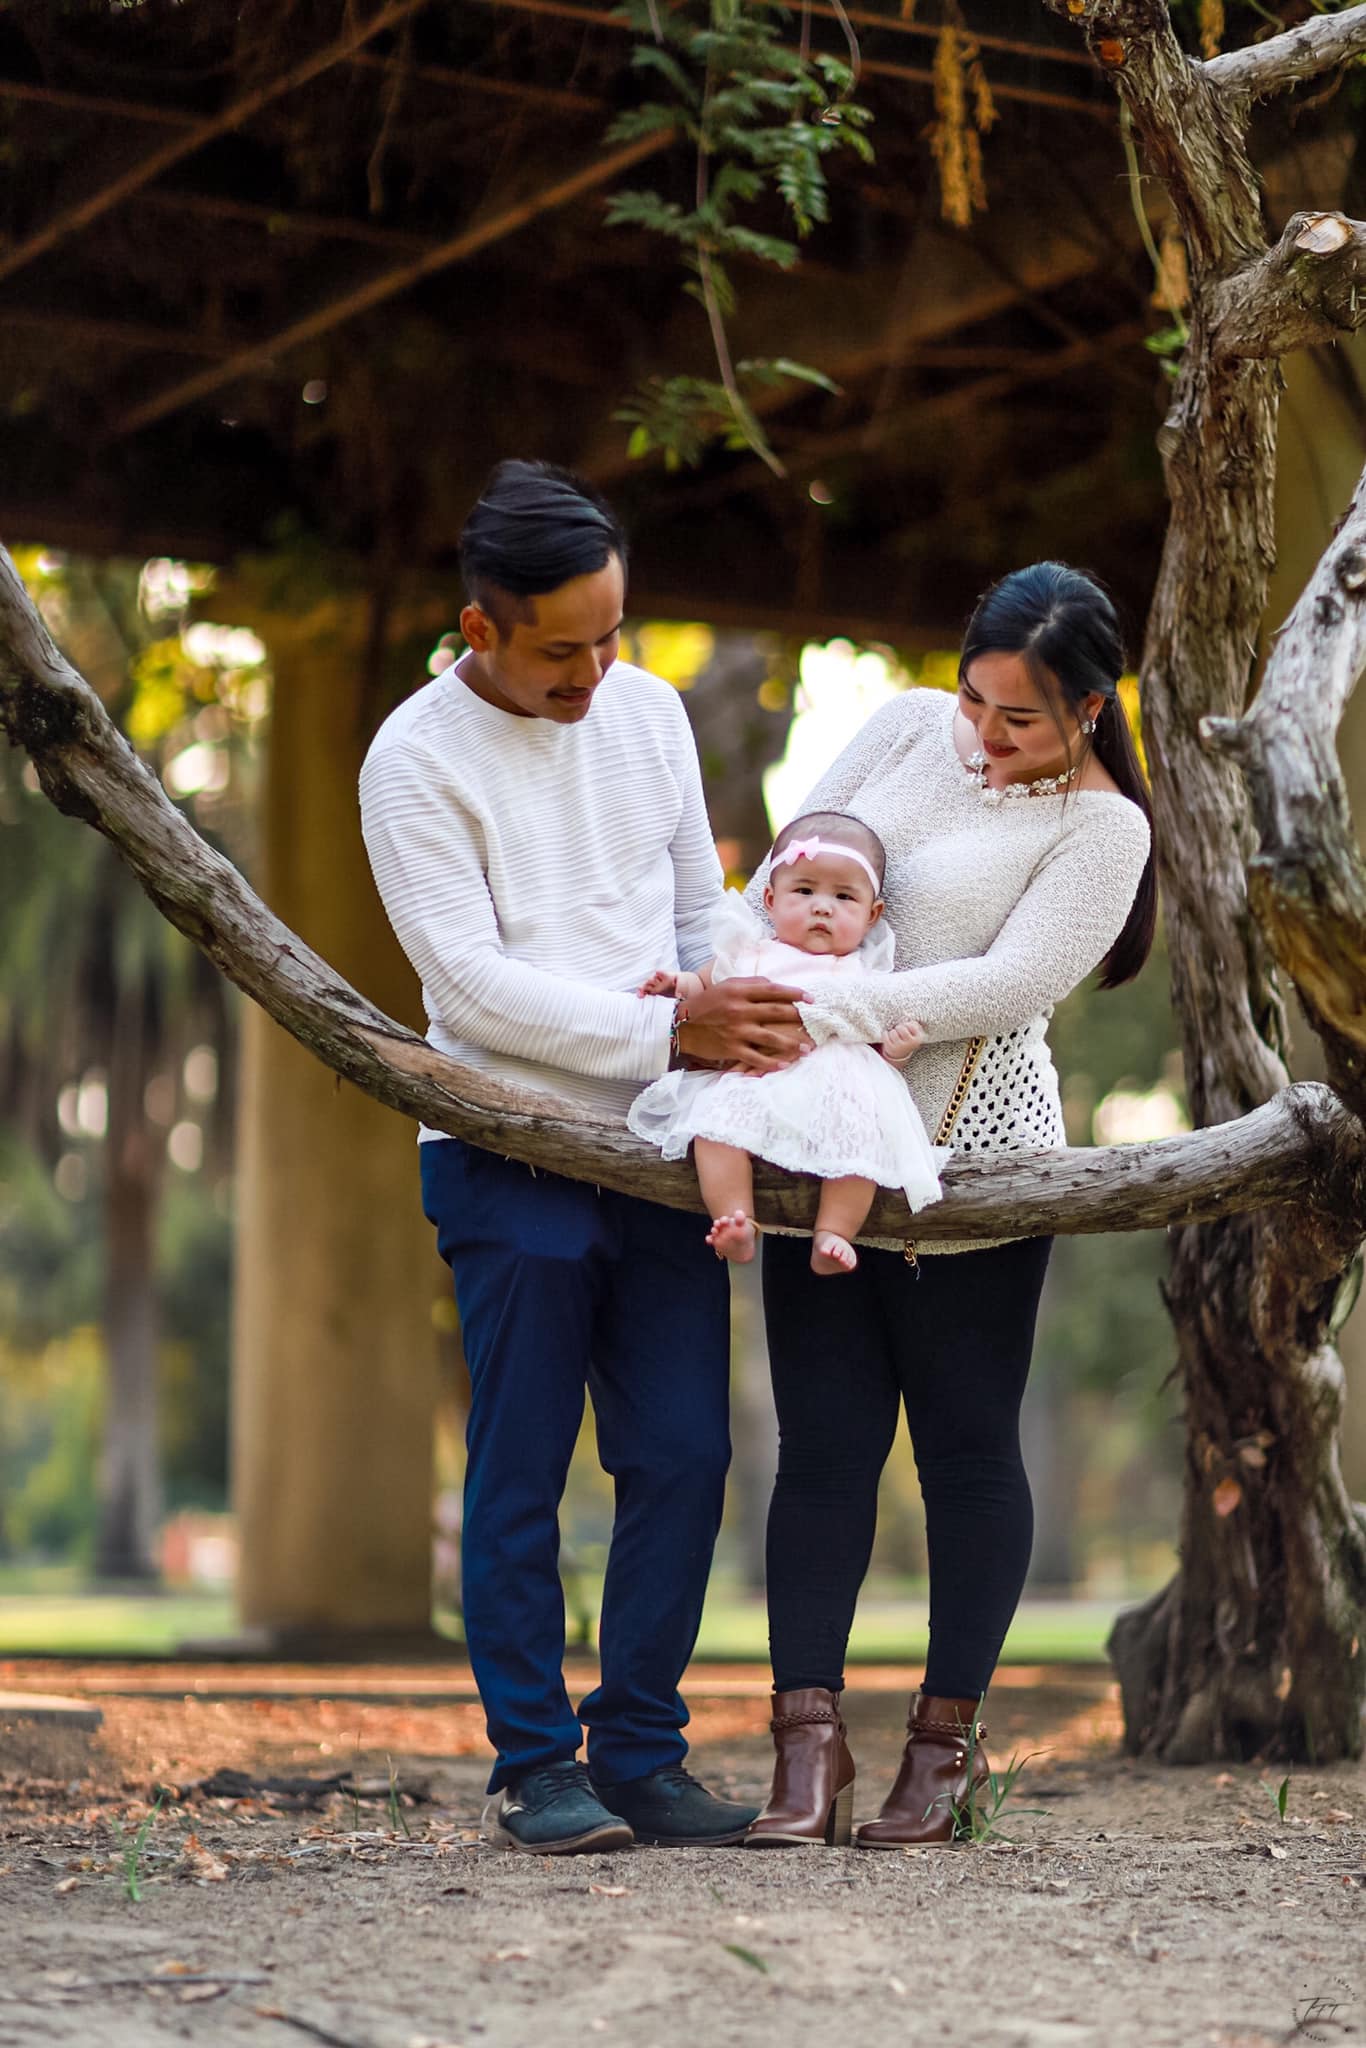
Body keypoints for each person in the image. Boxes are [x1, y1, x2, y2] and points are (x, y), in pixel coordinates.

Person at [359, 459, 807, 1855]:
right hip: (501, 1148)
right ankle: (530, 1767)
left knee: (680, 1455)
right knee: (523, 1464)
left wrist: (752, 998)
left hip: (666, 1149)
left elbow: (694, 915)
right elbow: (471, 991)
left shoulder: (651, 712)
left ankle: (638, 1755)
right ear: (479, 628)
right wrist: (674, 1032)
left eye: (611, 635)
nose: (595, 672)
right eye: (562, 649)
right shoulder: (412, 759)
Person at [744, 562, 1156, 1850]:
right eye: (975, 696)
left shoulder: (1105, 829)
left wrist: (807, 1006)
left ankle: (942, 1748)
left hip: (970, 1165)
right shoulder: (906, 726)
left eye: (1018, 717)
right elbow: (790, 868)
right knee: (819, 1448)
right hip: (812, 1147)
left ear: (1088, 709)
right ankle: (804, 1753)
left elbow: (1001, 982)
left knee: (966, 1453)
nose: (979, 735)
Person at [628, 811, 945, 1274]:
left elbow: (875, 1051)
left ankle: (834, 1232)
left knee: (862, 1145)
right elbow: (709, 990)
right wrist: (679, 985)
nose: (822, 907)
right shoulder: (752, 952)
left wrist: (895, 1049)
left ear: (871, 915)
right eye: (805, 891)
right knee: (714, 1129)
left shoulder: (863, 973)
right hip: (755, 1079)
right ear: (771, 900)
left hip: (838, 1089)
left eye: (843, 897)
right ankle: (736, 1221)